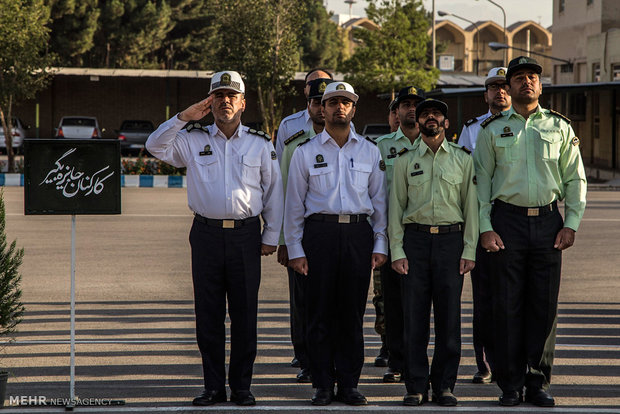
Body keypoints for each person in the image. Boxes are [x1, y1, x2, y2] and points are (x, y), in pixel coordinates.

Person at [145, 71, 284, 407]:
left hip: (246, 235)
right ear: (210, 101)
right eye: (219, 95)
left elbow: (274, 193)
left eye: (232, 96)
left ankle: (241, 387)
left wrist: (271, 236)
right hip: (206, 234)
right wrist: (183, 117)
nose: (225, 102)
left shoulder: (259, 143)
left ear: (243, 103)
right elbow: (154, 146)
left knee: (244, 314)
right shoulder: (192, 139)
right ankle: (212, 386)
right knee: (208, 315)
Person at [473, 56, 587, 407]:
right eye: (519, 77)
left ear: (540, 85)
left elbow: (575, 179)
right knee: (505, 305)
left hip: (548, 224)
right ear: (507, 87)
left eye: (532, 77)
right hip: (506, 222)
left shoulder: (559, 127)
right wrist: (485, 228)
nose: (527, 82)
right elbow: (480, 185)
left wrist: (571, 223)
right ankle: (510, 383)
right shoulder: (492, 130)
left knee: (543, 305)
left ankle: (537, 381)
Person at [284, 81, 388, 406]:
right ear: (322, 109)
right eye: (332, 102)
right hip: (320, 235)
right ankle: (322, 384)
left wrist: (380, 243)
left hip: (358, 235)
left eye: (345, 102)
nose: (339, 108)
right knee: (318, 314)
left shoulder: (370, 151)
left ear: (353, 110)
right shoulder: (304, 152)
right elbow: (294, 206)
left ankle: (349, 384)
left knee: (351, 315)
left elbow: (380, 203)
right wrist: (296, 249)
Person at [389, 98, 478, 407]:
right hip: (414, 242)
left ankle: (443, 386)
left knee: (449, 320)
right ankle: (414, 386)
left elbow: (471, 208)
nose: (430, 118)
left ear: (445, 122)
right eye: (425, 113)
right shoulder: (404, 159)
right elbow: (395, 208)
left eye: (436, 114)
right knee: (413, 319)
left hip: (451, 244)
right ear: (419, 121)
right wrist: (397, 250)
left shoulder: (462, 159)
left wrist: (469, 249)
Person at [276, 77, 333, 384]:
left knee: (334, 301)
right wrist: (284, 240)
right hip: (303, 235)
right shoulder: (294, 145)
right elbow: (284, 195)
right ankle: (307, 358)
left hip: (337, 235)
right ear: (309, 106)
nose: (321, 110)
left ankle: (332, 359)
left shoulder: (348, 141)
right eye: (315, 103)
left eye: (325, 104)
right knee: (304, 302)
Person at [457, 67, 511, 385]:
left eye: (505, 86)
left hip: (513, 221)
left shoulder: (522, 127)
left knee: (514, 297)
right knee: (484, 298)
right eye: (494, 87)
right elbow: (465, 179)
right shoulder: (471, 130)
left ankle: (514, 361)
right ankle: (484, 363)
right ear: (485, 94)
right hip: (480, 223)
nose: (500, 92)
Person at [374, 86, 425, 384]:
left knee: (419, 302)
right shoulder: (380, 147)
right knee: (392, 303)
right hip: (393, 235)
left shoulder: (433, 144)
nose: (410, 109)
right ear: (396, 111)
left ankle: (417, 360)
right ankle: (396, 359)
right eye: (404, 104)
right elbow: (375, 194)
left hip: (424, 235)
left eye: (415, 104)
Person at [371, 97, 400, 370]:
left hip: (416, 234)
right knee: (383, 296)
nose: (402, 114)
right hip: (386, 235)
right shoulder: (379, 147)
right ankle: (386, 344)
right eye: (396, 110)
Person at [275, 68, 334, 160]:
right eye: (312, 83)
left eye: (324, 82)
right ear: (305, 90)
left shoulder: (345, 126)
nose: (318, 86)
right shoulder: (288, 125)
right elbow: (281, 162)